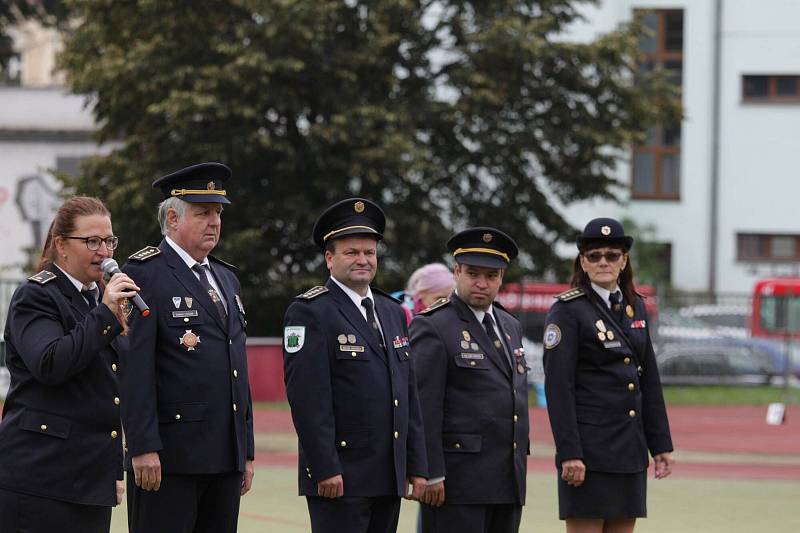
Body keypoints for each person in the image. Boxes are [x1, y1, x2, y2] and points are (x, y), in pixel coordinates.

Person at [119, 162, 255, 533]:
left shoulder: (227, 278)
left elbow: (237, 369)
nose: (214, 222)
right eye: (202, 213)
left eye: (217, 213)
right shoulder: (145, 274)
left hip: (224, 454)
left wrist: (246, 450)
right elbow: (135, 368)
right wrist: (143, 446)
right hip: (169, 457)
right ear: (173, 219)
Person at [282, 198, 428, 533]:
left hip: (387, 473)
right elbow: (307, 399)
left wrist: (416, 463)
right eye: (351, 252)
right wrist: (323, 467)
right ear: (329, 259)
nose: (363, 260)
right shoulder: (311, 311)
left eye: (369, 252)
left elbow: (408, 395)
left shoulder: (392, 312)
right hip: (341, 474)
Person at [0, 196, 137, 532]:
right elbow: (50, 362)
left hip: (88, 482)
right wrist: (104, 314)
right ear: (61, 245)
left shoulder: (95, 298)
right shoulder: (37, 296)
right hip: (39, 480)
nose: (104, 251)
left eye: (109, 241)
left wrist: (112, 470)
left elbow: (106, 388)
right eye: (91, 241)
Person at [542, 217, 674, 533]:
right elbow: (559, 388)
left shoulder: (635, 307)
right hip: (589, 452)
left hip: (629, 446)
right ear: (583, 263)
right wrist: (569, 453)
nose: (603, 262)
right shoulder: (568, 310)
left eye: (612, 255)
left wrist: (660, 444)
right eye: (594, 255)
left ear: (624, 260)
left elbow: (648, 379)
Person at [411, 227, 529, 533]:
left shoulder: (509, 325)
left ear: (502, 278)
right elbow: (424, 406)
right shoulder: (434, 325)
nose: (482, 283)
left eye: (491, 276)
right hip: (456, 482)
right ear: (457, 272)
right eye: (473, 273)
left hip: (506, 479)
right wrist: (431, 472)